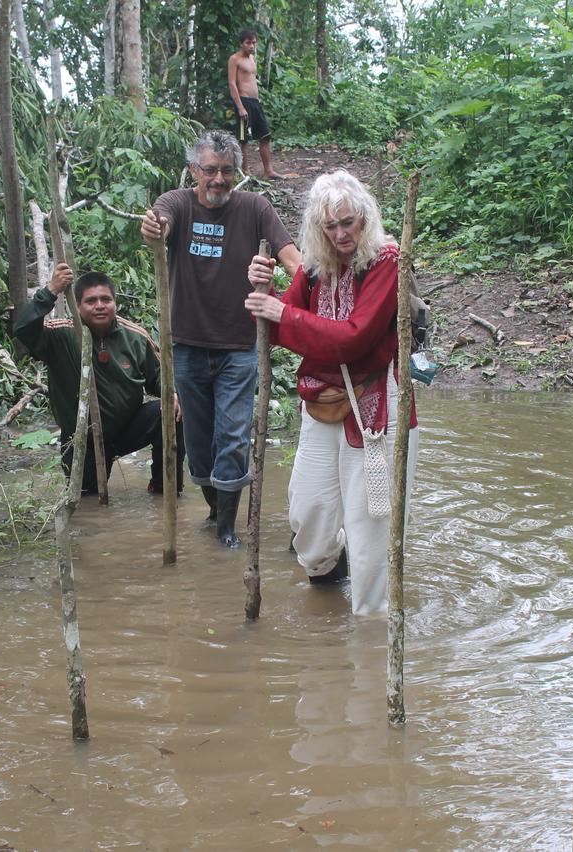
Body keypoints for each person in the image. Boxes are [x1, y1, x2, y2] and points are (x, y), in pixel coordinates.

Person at [245, 170, 418, 617]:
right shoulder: (315, 266)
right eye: (331, 226)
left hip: (378, 403)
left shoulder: (387, 261)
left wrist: (282, 312)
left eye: (349, 222)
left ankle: (369, 628)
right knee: (309, 517)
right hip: (323, 403)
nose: (341, 234)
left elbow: (352, 338)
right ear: (318, 229)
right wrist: (262, 292)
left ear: (364, 218)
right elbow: (276, 329)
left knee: (370, 529)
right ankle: (326, 573)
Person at [141, 130, 300, 547]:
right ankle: (216, 511)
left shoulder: (255, 208)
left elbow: (291, 257)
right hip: (189, 346)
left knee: (231, 437)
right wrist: (154, 231)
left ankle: (228, 531)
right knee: (198, 444)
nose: (218, 179)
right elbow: (160, 224)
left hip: (239, 345)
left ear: (237, 172)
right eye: (210, 170)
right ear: (194, 170)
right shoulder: (177, 202)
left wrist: (321, 286)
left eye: (227, 171)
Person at [13, 262, 183, 496]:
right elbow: (22, 328)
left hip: (127, 429)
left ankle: (164, 489)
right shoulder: (61, 334)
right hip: (82, 439)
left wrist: (172, 394)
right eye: (91, 301)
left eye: (106, 300)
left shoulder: (134, 337)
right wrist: (52, 290)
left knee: (171, 412)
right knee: (86, 504)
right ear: (79, 306)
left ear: (115, 303)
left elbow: (160, 379)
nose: (100, 306)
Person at [227, 29, 282, 180]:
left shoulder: (252, 59)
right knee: (243, 139)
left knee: (265, 136)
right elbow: (232, 84)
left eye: (254, 43)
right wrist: (240, 107)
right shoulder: (234, 59)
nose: (251, 46)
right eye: (248, 43)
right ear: (241, 43)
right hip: (243, 102)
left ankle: (268, 171)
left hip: (255, 103)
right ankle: (245, 172)